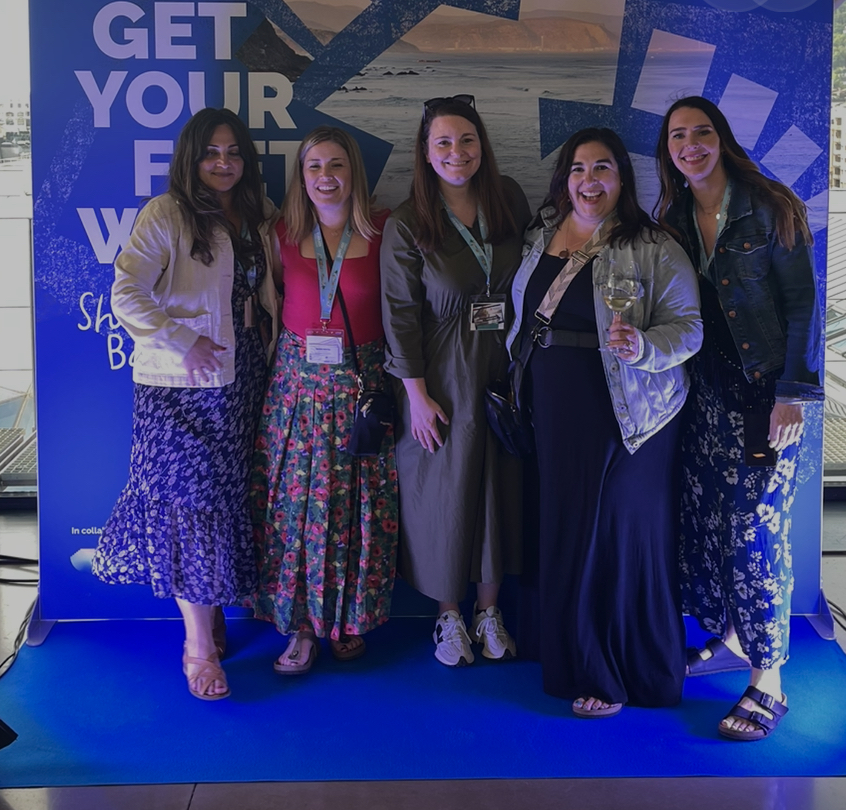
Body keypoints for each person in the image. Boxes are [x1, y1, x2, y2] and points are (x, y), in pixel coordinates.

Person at [507, 127, 701, 718]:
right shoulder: (541, 233)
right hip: (556, 406)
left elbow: (688, 327)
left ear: (622, 178)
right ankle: (569, 657)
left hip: (628, 410)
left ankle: (615, 670)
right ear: (565, 179)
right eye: (578, 170)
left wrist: (642, 347)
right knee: (568, 528)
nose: (589, 182)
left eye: (602, 169)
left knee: (615, 533)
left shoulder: (652, 244)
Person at [92, 108, 281, 700]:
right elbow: (125, 291)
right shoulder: (167, 213)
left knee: (227, 501)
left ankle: (212, 611)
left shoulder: (258, 216)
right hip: (178, 385)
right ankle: (197, 647)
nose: (223, 163)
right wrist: (181, 338)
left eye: (233, 153)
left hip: (244, 376)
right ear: (191, 158)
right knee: (190, 508)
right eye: (211, 152)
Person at [655, 96, 823, 740]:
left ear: (721, 139)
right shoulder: (671, 214)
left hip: (764, 398)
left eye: (702, 132)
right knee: (712, 528)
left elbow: (805, 306)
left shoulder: (769, 205)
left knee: (756, 535)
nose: (690, 144)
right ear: (667, 149)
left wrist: (793, 394)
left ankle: (769, 679)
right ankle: (728, 638)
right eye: (677, 136)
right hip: (704, 398)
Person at [380, 95, 532, 667]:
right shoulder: (406, 224)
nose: (456, 153)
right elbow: (399, 315)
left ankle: (488, 610)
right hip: (441, 373)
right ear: (425, 151)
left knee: (498, 488)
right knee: (446, 493)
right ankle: (448, 615)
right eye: (442, 142)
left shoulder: (509, 199)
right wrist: (415, 395)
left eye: (466, 140)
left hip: (503, 366)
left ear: (481, 145)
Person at [249, 126, 398, 674]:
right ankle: (303, 627)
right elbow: (270, 304)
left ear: (354, 171)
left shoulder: (385, 229)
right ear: (300, 175)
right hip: (296, 392)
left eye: (336, 164)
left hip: (360, 389)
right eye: (313, 166)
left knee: (356, 511)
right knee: (296, 511)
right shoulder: (281, 233)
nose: (325, 176)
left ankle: (346, 620)